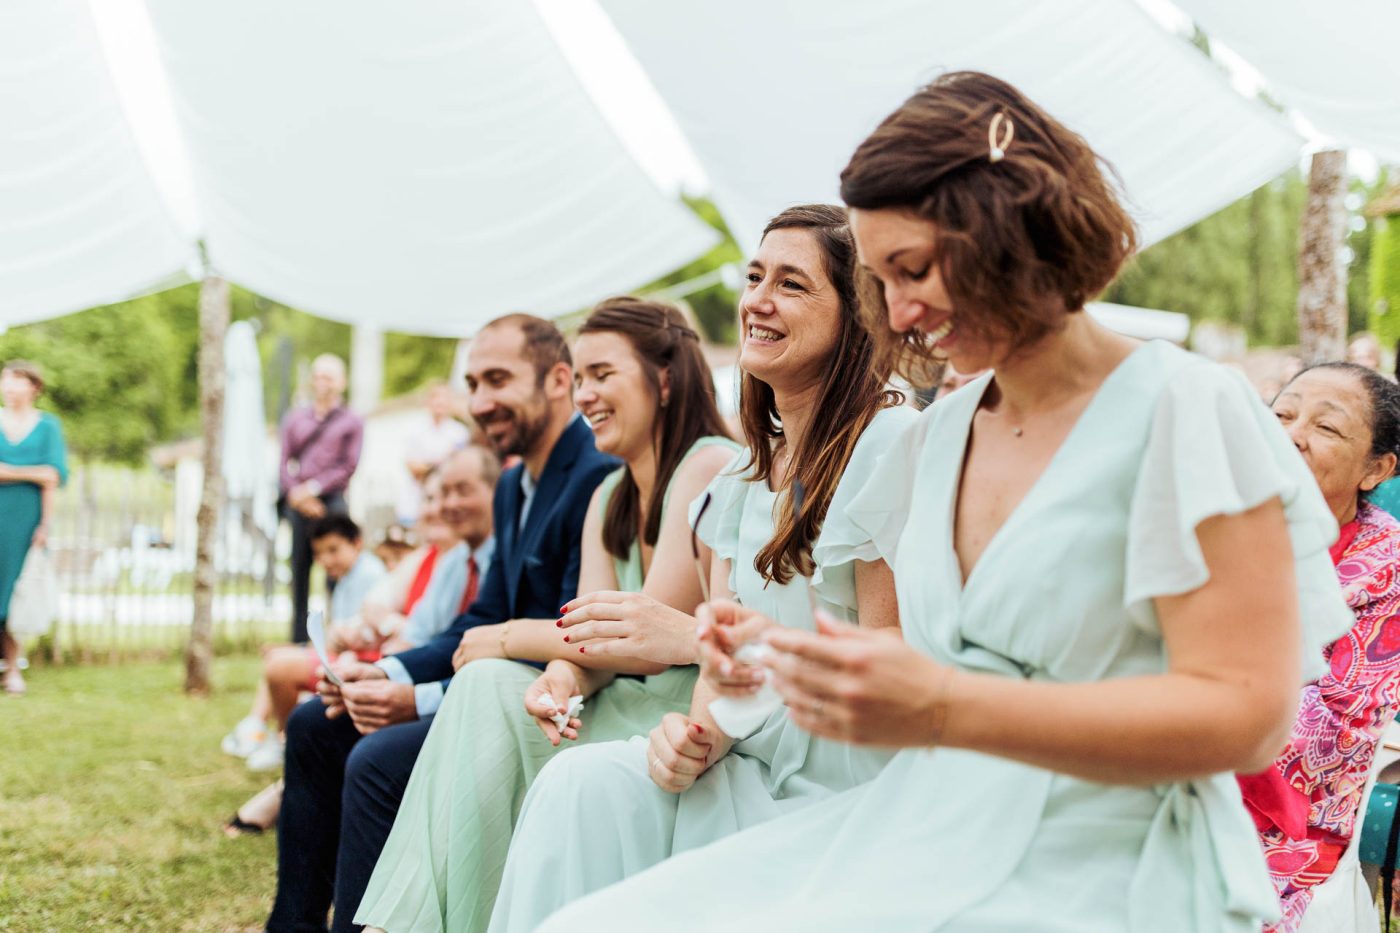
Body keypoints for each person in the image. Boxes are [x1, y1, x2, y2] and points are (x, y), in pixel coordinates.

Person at [511, 72, 1353, 933]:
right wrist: (770, 657)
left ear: (1013, 231)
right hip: (931, 825)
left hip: (1108, 857)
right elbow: (910, 666)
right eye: (880, 281)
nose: (901, 314)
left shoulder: (1187, 406)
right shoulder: (945, 434)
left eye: (913, 271)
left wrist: (948, 707)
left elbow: (1248, 718)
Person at [489, 205, 915, 932]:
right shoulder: (745, 480)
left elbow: (893, 669)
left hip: (848, 789)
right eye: (754, 277)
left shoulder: (890, 444)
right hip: (745, 766)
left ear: (856, 314)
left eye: (792, 283)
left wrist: (689, 640)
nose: (758, 300)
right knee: (577, 783)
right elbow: (717, 689)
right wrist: (692, 740)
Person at [355, 296, 738, 933]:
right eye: (579, 377)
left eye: (602, 374)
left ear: (664, 378)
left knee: (483, 676)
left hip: (678, 716)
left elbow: (640, 640)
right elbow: (587, 643)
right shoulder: (610, 494)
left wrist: (504, 635)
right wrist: (560, 679)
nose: (585, 394)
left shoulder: (706, 465)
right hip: (613, 702)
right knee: (482, 685)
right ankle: (434, 918)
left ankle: (419, 922)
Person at [266, 315, 617, 933]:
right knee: (314, 721)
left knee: (375, 762)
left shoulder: (594, 475)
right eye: (473, 383)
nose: (479, 402)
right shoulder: (512, 484)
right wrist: (382, 674)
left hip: (550, 708)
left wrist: (417, 699)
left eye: (498, 380)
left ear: (559, 380)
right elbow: (483, 618)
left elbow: (569, 643)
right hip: (480, 686)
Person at [224, 449, 497, 833]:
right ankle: (287, 768)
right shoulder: (433, 558)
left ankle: (290, 778)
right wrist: (379, 651)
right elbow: (397, 619)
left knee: (330, 719)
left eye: (455, 495)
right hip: (398, 660)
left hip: (431, 677)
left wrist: (385, 651)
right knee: (310, 710)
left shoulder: (465, 558)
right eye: (432, 498)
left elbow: (440, 636)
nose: (439, 508)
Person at [1237, 362, 1400, 932]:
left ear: (1376, 468)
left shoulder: (1385, 572)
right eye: (1281, 414)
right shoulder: (1206, 525)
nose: (1291, 434)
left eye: (1327, 428)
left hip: (1280, 822)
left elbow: (1329, 742)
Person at [280, 354, 364, 643]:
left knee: (337, 571)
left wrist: (312, 489)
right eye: (317, 376)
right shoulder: (295, 419)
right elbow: (283, 461)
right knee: (299, 571)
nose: (321, 382)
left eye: (327, 376)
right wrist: (296, 494)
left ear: (341, 382)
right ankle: (299, 638)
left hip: (331, 501)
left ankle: (335, 633)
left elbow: (348, 465)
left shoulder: (352, 420)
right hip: (299, 504)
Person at [0, 360, 67, 697]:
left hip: (24, 523)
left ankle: (13, 667)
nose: (9, 388)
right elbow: (43, 473)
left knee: (17, 594)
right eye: (5, 381)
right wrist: (32, 471)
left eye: (17, 381)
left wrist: (45, 524)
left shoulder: (48, 427)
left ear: (34, 387)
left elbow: (53, 477)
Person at [397, 381, 470, 526]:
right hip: (414, 504)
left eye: (444, 401)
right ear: (428, 402)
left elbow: (462, 469)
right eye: (436, 401)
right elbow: (412, 467)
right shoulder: (414, 429)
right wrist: (441, 463)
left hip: (446, 505)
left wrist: (429, 465)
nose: (440, 406)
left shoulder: (459, 432)